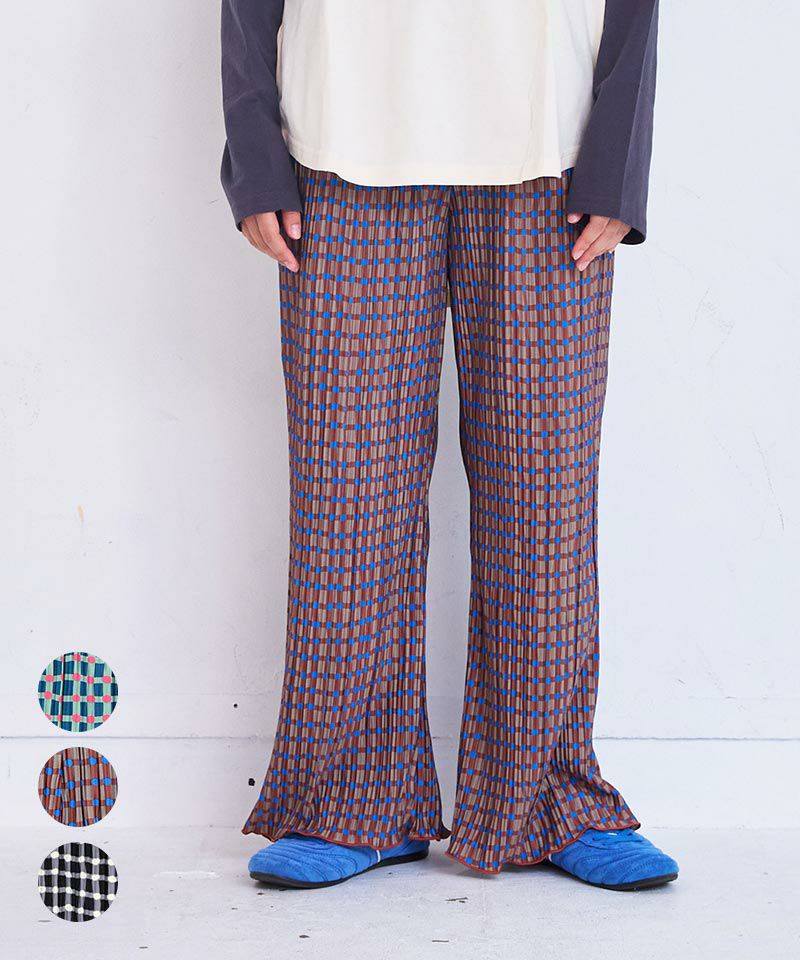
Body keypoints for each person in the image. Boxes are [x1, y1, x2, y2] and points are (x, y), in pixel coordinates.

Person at [220, 0, 678, 892]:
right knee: (347, 494)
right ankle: (353, 798)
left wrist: (619, 158)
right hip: (342, 140)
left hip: (550, 147)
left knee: (544, 492)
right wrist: (255, 151)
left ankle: (547, 796)